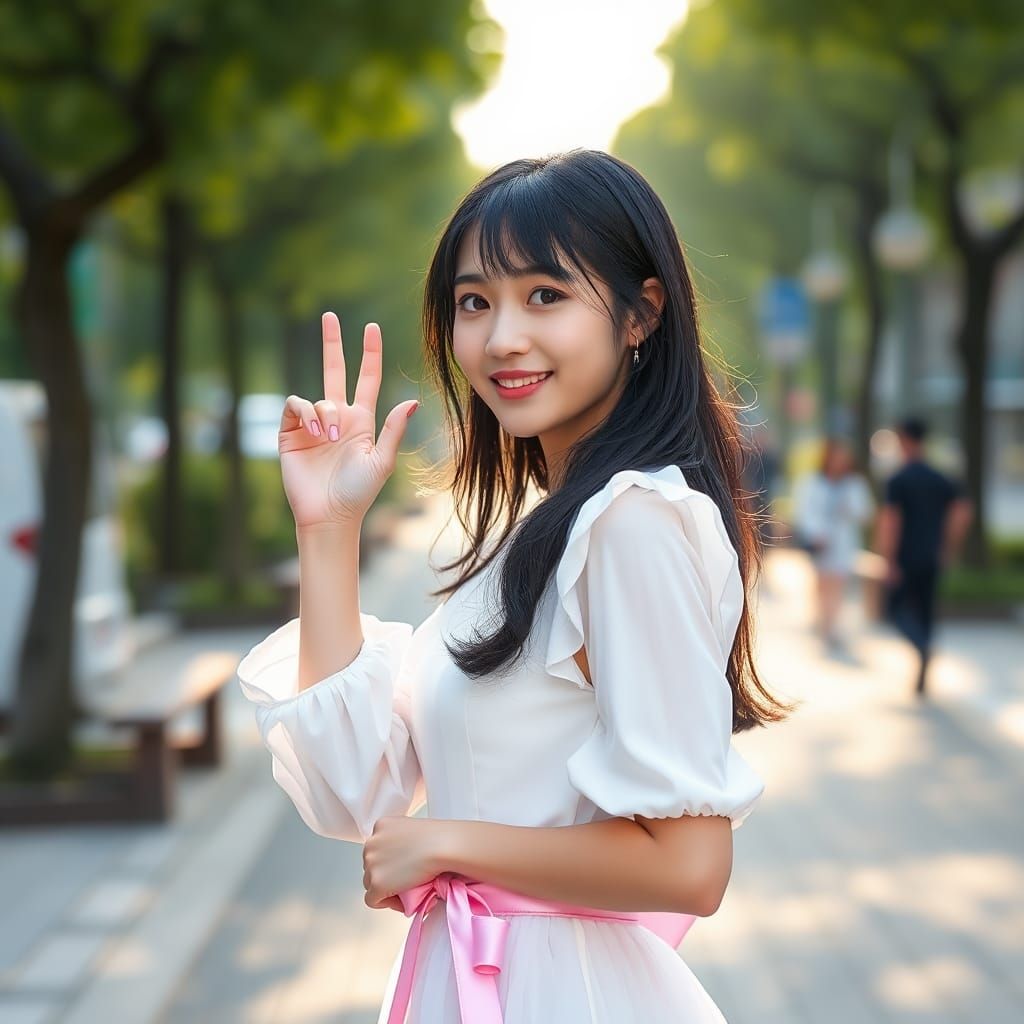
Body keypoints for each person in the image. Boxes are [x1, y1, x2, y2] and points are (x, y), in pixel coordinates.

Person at [235, 150, 796, 1024]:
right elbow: (357, 793)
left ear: (641, 314)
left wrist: (450, 844)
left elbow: (690, 867)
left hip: (558, 990)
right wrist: (328, 530)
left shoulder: (634, 521)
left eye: (545, 295)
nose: (501, 338)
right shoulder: (541, 534)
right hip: (478, 977)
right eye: (474, 302)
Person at [875, 416, 973, 697]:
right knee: (927, 612)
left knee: (894, 610)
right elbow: (963, 512)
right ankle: (924, 656)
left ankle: (920, 646)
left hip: (905, 557)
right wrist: (947, 546)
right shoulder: (940, 478)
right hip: (932, 555)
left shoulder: (898, 479)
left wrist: (888, 559)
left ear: (904, 440)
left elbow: (891, 521)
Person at [792, 437, 874, 656]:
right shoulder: (812, 482)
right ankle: (822, 618)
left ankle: (831, 625)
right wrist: (815, 533)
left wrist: (850, 508)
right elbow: (803, 511)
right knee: (821, 583)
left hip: (843, 542)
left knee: (837, 583)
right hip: (820, 541)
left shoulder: (854, 484)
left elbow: (865, 513)